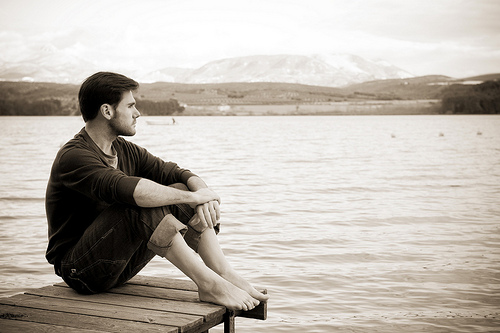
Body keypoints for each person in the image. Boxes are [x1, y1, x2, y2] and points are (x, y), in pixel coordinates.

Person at [45, 71, 268, 311]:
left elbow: (175, 173)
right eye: (130, 106)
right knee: (136, 205)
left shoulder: (124, 149)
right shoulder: (75, 156)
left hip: (118, 265)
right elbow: (132, 191)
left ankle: (223, 272)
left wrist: (203, 196)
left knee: (180, 191)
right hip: (80, 271)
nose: (137, 113)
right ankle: (209, 284)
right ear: (107, 111)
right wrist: (195, 197)